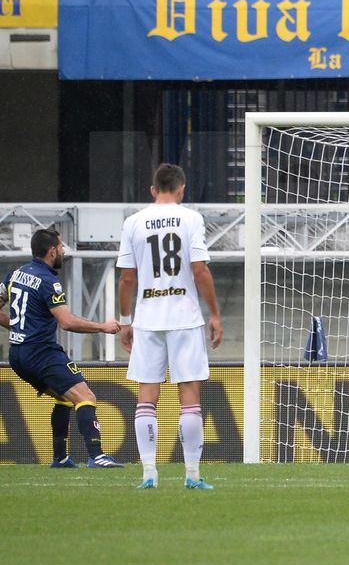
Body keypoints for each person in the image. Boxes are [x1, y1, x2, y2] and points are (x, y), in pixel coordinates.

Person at [117, 163, 223, 490]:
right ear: (181, 189)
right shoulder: (191, 218)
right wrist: (215, 314)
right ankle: (192, 475)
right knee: (189, 398)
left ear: (153, 190)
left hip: (148, 318)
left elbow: (126, 278)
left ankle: (149, 473)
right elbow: (200, 270)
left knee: (147, 396)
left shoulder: (133, 223)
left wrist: (124, 322)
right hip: (184, 317)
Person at [0, 228, 123, 468]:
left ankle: (60, 458)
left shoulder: (14, 274)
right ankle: (97, 456)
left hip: (17, 355)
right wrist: (102, 327)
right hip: (41, 352)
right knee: (85, 396)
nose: (64, 251)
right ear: (52, 250)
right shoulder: (49, 281)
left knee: (65, 398)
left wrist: (18, 328)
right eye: (62, 247)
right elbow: (66, 322)